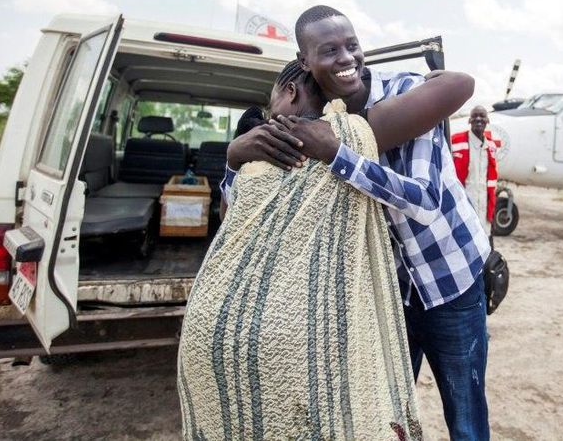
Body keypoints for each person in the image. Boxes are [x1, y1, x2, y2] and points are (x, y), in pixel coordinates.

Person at [178, 59, 477, 439]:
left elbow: (230, 216)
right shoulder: (353, 133)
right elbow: (459, 86)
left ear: (289, 92)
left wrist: (237, 157)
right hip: (360, 307)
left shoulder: (287, 148)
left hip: (444, 280)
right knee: (408, 404)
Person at [236, 5, 492, 440]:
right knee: (386, 411)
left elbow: (426, 201)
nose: (346, 58)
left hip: (451, 280)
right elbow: (257, 201)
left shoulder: (405, 95)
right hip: (388, 293)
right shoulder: (317, 123)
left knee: (466, 417)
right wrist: (238, 153)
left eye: (352, 45)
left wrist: (340, 155)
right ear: (305, 61)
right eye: (329, 50)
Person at [451, 106, 498, 234]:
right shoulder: (455, 141)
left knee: (484, 243)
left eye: (482, 116)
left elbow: (492, 183)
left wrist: (491, 213)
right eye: (475, 116)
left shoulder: (491, 147)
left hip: (483, 207)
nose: (478, 119)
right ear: (469, 120)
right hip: (463, 206)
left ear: (487, 120)